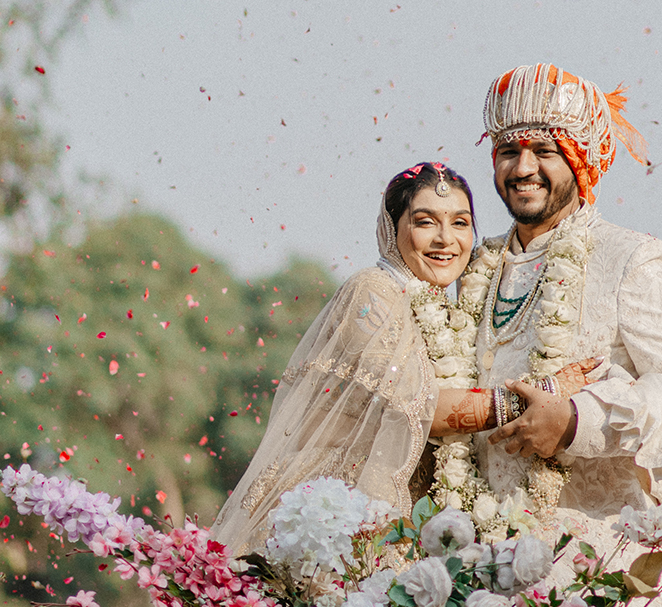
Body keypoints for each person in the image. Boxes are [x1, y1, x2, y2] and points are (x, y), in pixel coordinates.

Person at [466, 64, 662, 607]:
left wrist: (577, 422)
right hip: (481, 582)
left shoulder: (632, 258)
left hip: (598, 587)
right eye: (509, 150)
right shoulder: (472, 267)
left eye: (545, 151)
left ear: (581, 159)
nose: (523, 167)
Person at [213, 162, 593, 556]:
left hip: (405, 526)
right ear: (392, 230)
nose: (446, 239)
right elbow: (419, 407)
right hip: (340, 516)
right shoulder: (371, 292)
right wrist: (542, 395)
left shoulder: (452, 313)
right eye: (426, 222)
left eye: (460, 223)